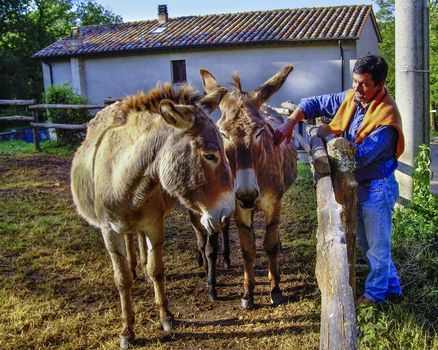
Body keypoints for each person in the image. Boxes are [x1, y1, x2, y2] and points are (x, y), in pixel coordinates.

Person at [273, 55, 405, 305]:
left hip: (377, 187)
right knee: (369, 245)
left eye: (364, 84)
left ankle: (375, 296)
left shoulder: (386, 119)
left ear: (380, 85)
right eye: (355, 81)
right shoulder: (351, 98)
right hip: (361, 185)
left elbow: (354, 160)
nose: (357, 88)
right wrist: (291, 121)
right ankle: (393, 289)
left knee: (377, 247)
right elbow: (312, 103)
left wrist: (325, 137)